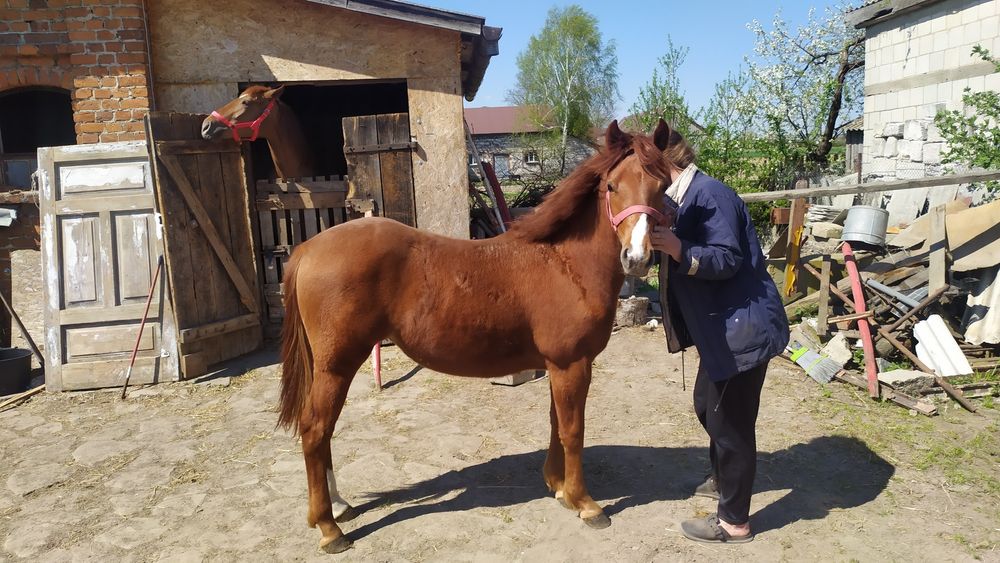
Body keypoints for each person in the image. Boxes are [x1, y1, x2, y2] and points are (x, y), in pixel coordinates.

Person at [649, 128, 789, 544]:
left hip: (742, 330)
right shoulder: (682, 199)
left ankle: (734, 522)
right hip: (722, 332)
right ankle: (722, 478)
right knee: (706, 408)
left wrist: (679, 250)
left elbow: (728, 258)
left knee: (731, 426)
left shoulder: (710, 195)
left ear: (664, 163)